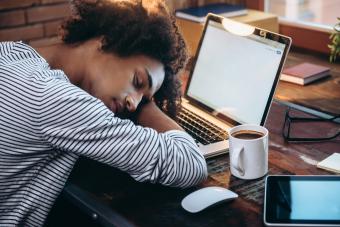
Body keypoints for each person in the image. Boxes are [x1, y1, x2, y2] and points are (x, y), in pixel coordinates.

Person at [0, 0, 207, 226]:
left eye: (142, 101)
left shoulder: (13, 53)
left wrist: (140, 93)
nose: (133, 104)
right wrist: (147, 107)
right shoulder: (57, 100)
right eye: (138, 81)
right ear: (107, 41)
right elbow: (190, 164)